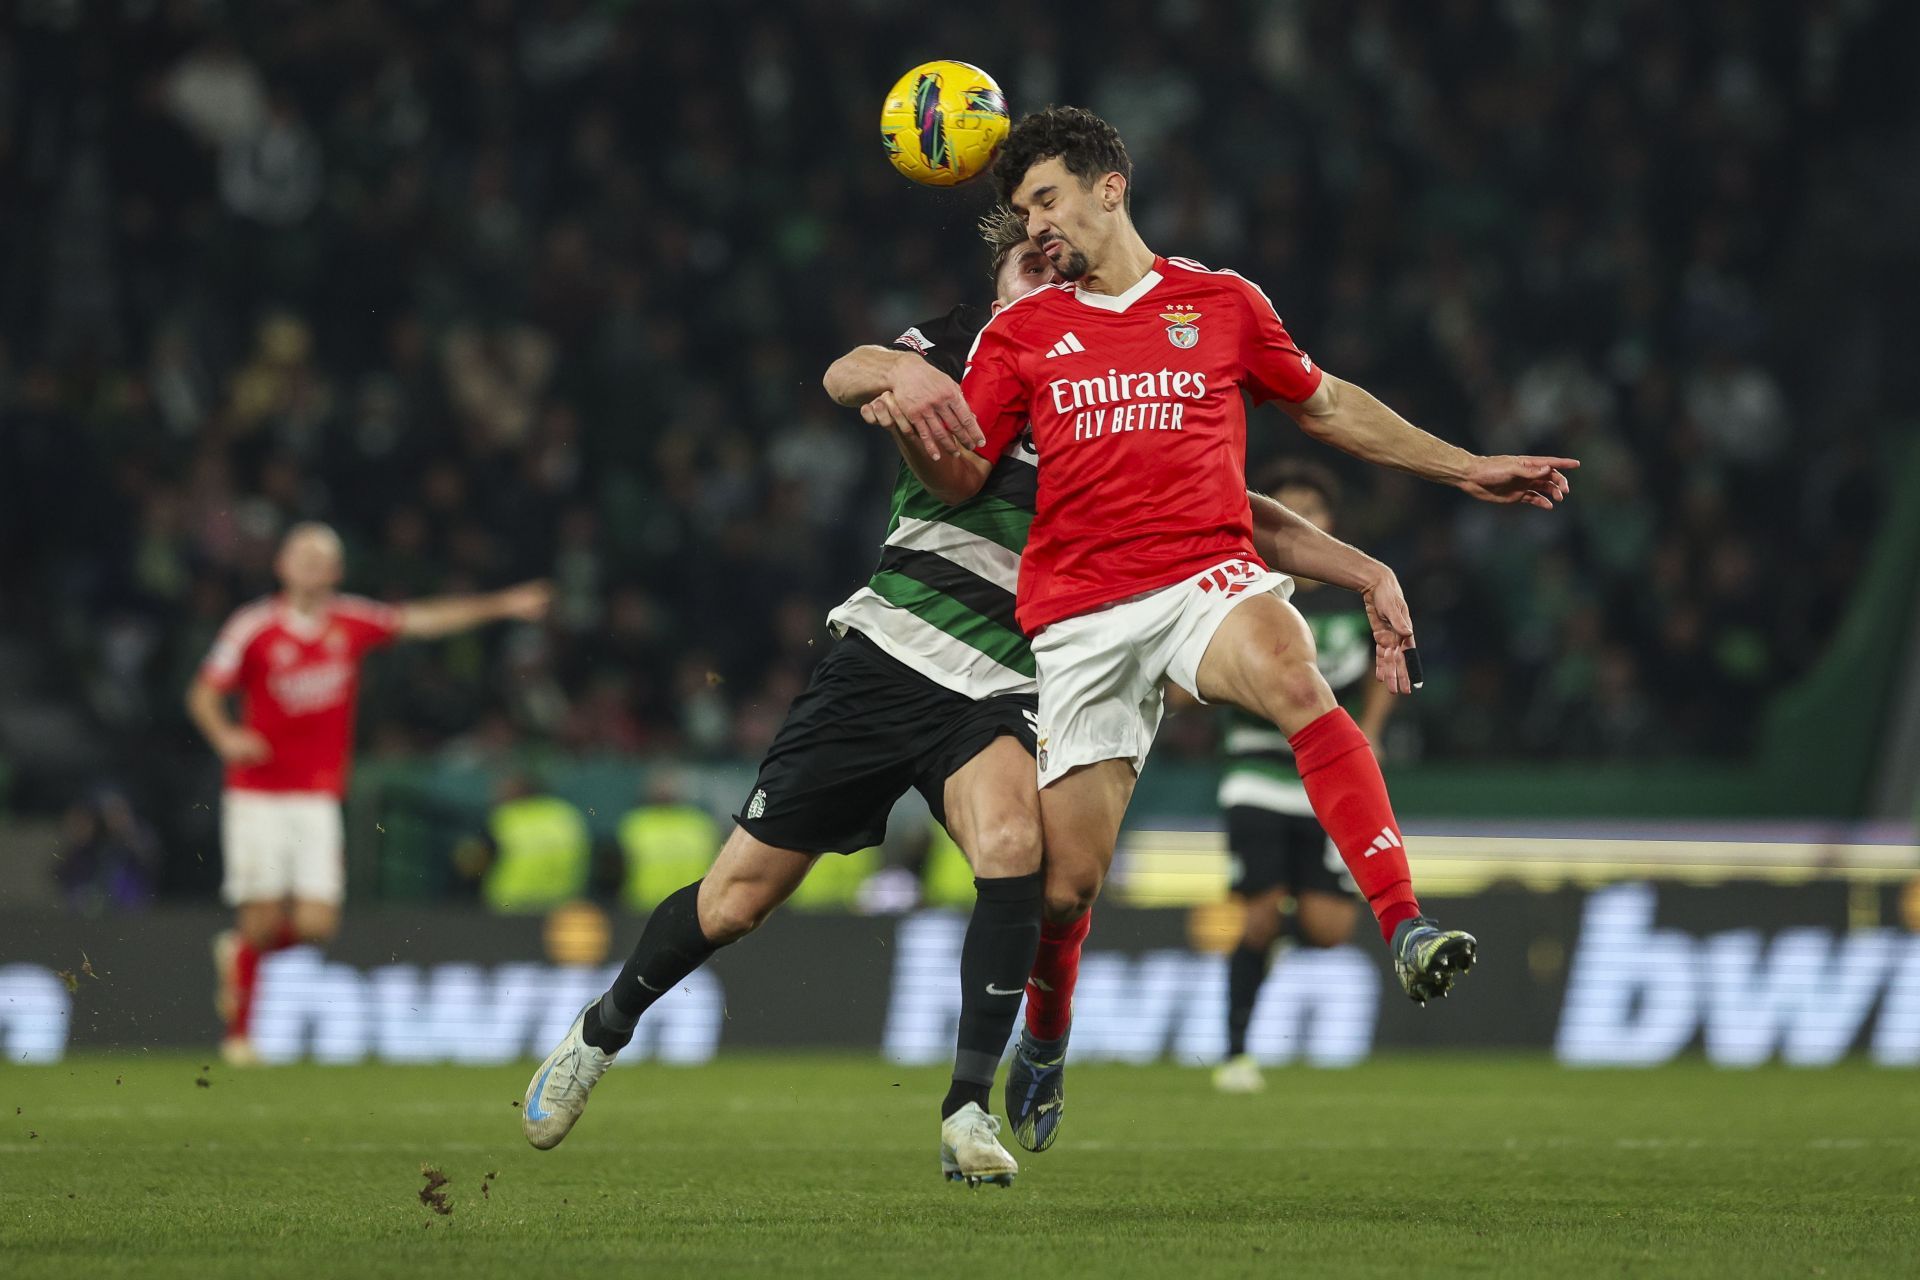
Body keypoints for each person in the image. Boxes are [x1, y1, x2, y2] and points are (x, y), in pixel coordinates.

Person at [520, 210, 1424, 1187]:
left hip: (1004, 676)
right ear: (994, 281)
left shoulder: (1112, 374)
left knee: (1015, 848)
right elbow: (844, 371)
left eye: (1058, 253)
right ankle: (600, 1030)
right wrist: (896, 375)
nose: (1048, 261)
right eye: (1026, 254)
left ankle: (964, 1108)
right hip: (887, 653)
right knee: (737, 899)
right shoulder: (960, 347)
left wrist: (1362, 567)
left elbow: (1239, 514)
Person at [917, 107, 1578, 1065]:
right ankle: (1049, 1033)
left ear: (1112, 187)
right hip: (1078, 612)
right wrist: (904, 394)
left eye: (1047, 198)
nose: (1035, 227)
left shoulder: (1220, 304)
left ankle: (1404, 922)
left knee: (1292, 667)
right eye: (1023, 211)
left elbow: (1333, 406)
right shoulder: (1024, 331)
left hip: (1202, 577)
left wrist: (1466, 466)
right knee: (1065, 889)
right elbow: (963, 474)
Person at [187, 522, 550, 1065]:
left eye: (323, 557)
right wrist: (226, 736)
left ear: (336, 571)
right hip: (258, 792)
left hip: (316, 795)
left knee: (316, 925)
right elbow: (202, 693)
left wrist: (501, 605)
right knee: (260, 916)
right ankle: (239, 1037)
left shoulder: (351, 621)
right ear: (281, 566)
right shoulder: (254, 627)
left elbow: (423, 620)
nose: (312, 564)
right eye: (301, 554)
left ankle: (240, 955)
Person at [1205, 463, 1385, 1094]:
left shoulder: (1351, 600)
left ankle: (1268, 944)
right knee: (1255, 919)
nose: (1305, 515)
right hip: (1256, 774)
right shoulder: (1244, 591)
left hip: (1325, 780)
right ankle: (1234, 1052)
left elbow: (1381, 675)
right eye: (1290, 506)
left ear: (1331, 524)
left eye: (1316, 506)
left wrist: (1374, 729)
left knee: (1328, 929)